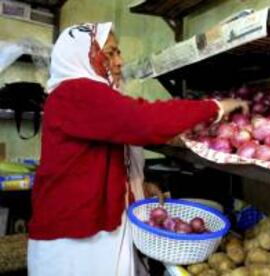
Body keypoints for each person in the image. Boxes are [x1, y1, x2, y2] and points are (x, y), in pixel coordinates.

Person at [27, 22, 247, 276]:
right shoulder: (74, 92)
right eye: (110, 53)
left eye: (118, 52)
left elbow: (102, 155)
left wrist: (136, 186)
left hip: (90, 232)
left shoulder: (84, 97)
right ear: (82, 57)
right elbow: (142, 121)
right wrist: (214, 107)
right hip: (73, 242)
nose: (120, 61)